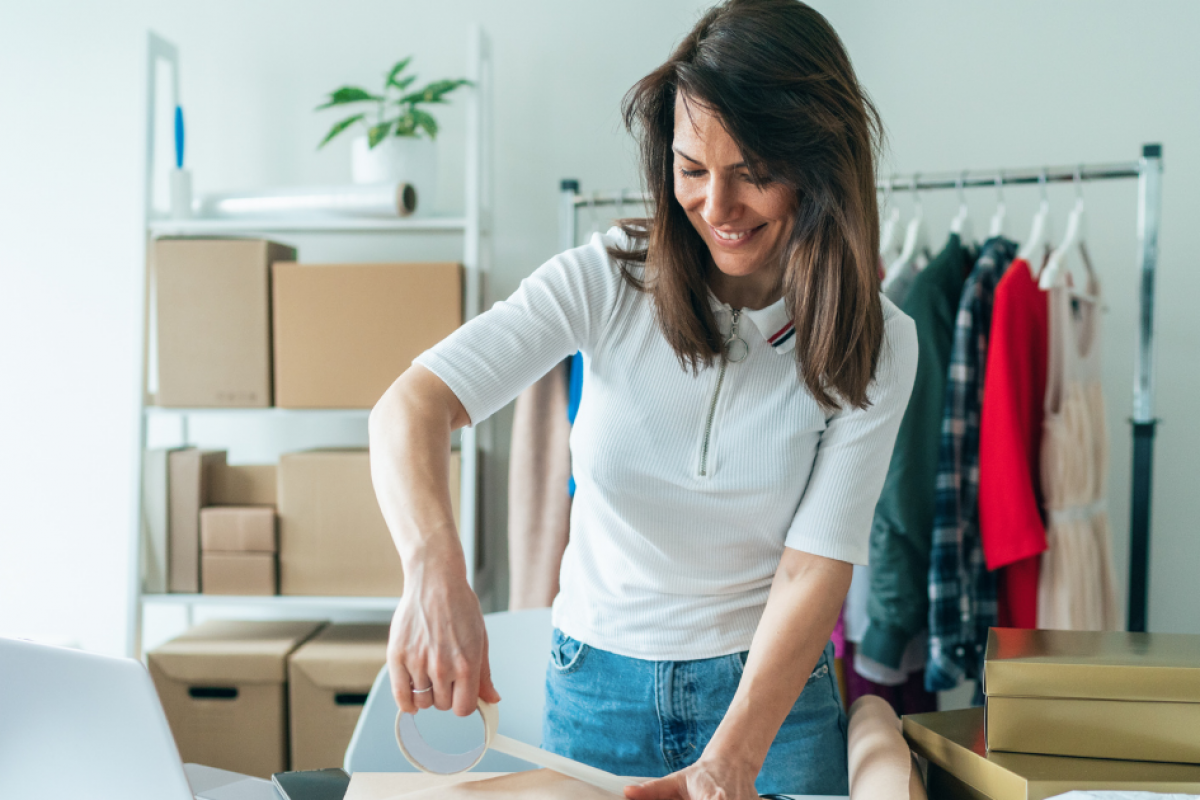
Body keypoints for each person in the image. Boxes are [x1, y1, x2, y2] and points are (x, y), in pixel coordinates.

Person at [368, 0, 917, 796]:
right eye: (692, 170)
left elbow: (812, 572)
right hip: (595, 691)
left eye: (754, 174)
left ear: (821, 163)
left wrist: (734, 756)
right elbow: (408, 409)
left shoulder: (879, 339)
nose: (718, 210)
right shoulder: (608, 277)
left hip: (770, 700)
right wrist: (433, 570)